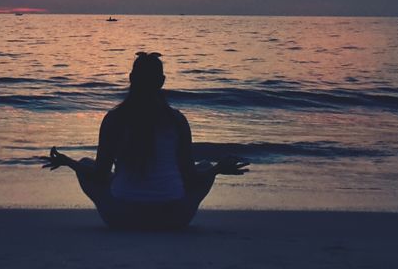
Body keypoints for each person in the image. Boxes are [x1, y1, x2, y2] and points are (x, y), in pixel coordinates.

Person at [41, 52, 250, 230]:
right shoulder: (176, 120)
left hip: (122, 218)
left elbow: (99, 174)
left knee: (86, 164)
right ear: (162, 82)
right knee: (204, 166)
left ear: (131, 78)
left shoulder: (114, 119)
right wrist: (217, 169)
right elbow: (191, 177)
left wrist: (69, 163)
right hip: (174, 218)